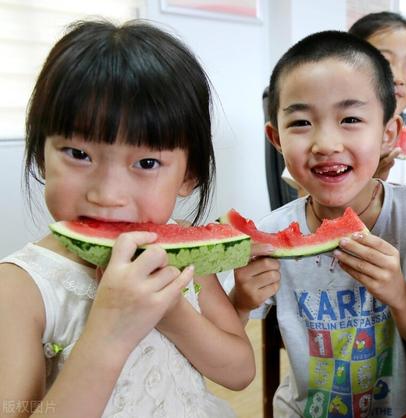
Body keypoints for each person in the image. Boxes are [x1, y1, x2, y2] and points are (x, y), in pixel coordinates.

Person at [0, 20, 254, 418]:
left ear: (188, 176)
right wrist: (111, 331)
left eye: (147, 162)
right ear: (39, 155)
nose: (107, 194)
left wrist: (172, 313)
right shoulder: (18, 289)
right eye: (78, 154)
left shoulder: (186, 259)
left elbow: (240, 371)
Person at [232, 31, 406, 417]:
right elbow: (229, 346)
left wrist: (400, 295)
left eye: (350, 118)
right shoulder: (271, 234)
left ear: (388, 133)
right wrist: (241, 302)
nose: (326, 143)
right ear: (275, 138)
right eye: (300, 122)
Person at [281, 12, 406, 212]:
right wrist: (362, 182)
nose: (399, 77)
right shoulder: (319, 141)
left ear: (391, 132)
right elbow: (310, 216)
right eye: (383, 62)